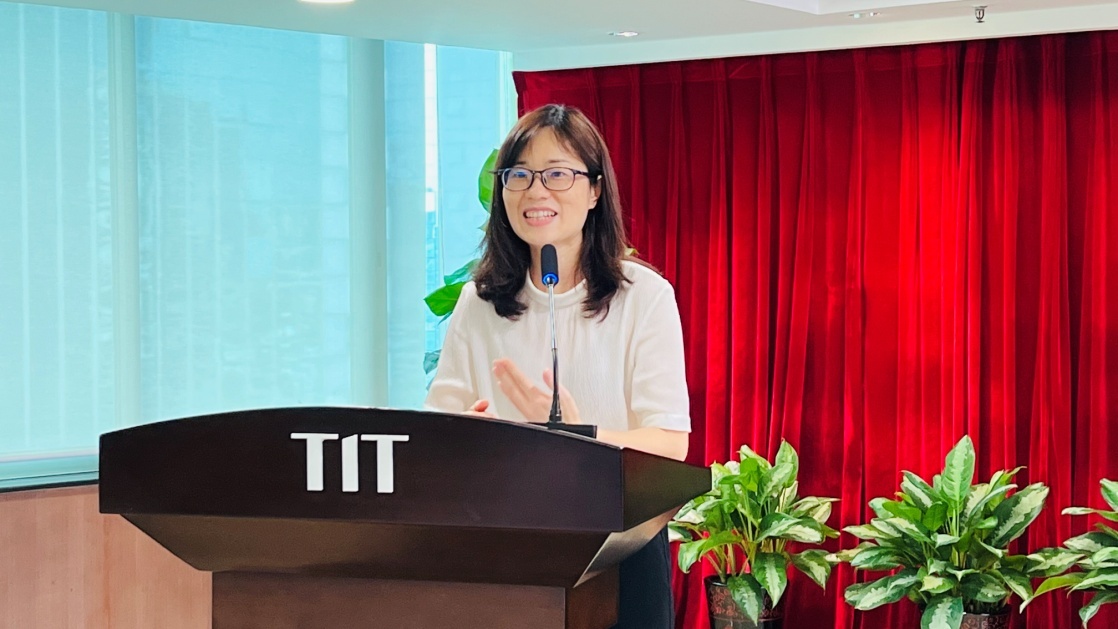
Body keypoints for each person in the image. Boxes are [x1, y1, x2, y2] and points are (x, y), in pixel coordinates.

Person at [424, 103, 691, 629]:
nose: (536, 191)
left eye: (557, 174)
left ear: (595, 191)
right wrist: (466, 437)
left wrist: (578, 438)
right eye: (519, 175)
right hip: (506, 540)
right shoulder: (479, 302)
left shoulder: (644, 296)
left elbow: (669, 444)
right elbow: (439, 427)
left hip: (618, 545)